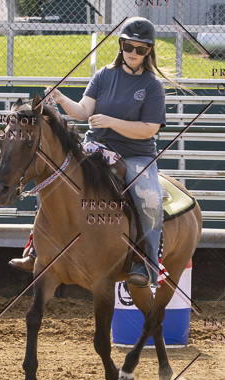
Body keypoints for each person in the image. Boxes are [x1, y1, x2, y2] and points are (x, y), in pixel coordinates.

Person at [11, 17, 184, 288]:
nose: (133, 53)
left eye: (140, 49)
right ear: (121, 45)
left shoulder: (152, 86)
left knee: (149, 202)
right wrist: (62, 99)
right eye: (128, 46)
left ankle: (148, 262)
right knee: (53, 181)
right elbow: (83, 112)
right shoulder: (103, 75)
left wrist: (111, 122)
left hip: (135, 155)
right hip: (95, 148)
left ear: (148, 51)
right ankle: (37, 250)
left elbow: (148, 129)